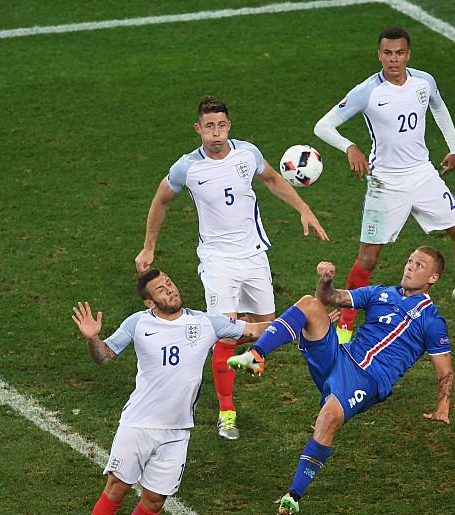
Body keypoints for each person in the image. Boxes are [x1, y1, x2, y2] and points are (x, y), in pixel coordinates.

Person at [135, 96, 329, 441]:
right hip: (217, 260)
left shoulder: (247, 154)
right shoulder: (186, 168)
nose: (216, 133)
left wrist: (303, 208)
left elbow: (271, 180)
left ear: (229, 125)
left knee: (264, 326)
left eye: (221, 125)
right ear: (198, 129)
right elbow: (160, 200)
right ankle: (227, 410)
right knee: (227, 332)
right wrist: (149, 246)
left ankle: (253, 357)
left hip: (254, 255)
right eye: (209, 126)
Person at [72, 269, 268, 515]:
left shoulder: (208, 322)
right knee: (117, 489)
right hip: (139, 424)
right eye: (161, 290)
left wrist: (301, 321)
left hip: (178, 431)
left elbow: (253, 330)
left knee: (154, 501)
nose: (170, 291)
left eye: (170, 285)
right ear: (150, 301)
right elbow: (104, 357)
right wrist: (93, 338)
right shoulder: (138, 323)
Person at [228, 246, 454, 515]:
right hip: (340, 357)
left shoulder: (431, 321)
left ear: (434, 277)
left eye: (419, 265)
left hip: (367, 379)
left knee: (329, 417)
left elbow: (445, 371)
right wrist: (326, 280)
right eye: (410, 261)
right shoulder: (381, 293)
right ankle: (256, 355)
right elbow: (329, 298)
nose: (410, 267)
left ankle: (293, 495)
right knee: (310, 303)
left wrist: (444, 406)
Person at [313, 26, 455, 343]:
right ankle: (345, 325)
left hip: (424, 175)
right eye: (387, 53)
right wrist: (350, 147)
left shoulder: (424, 81)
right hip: (386, 183)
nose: (393, 60)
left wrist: (454, 146)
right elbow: (322, 126)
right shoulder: (367, 91)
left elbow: (438, 105)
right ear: (379, 54)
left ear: (408, 54)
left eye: (399, 53)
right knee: (367, 259)